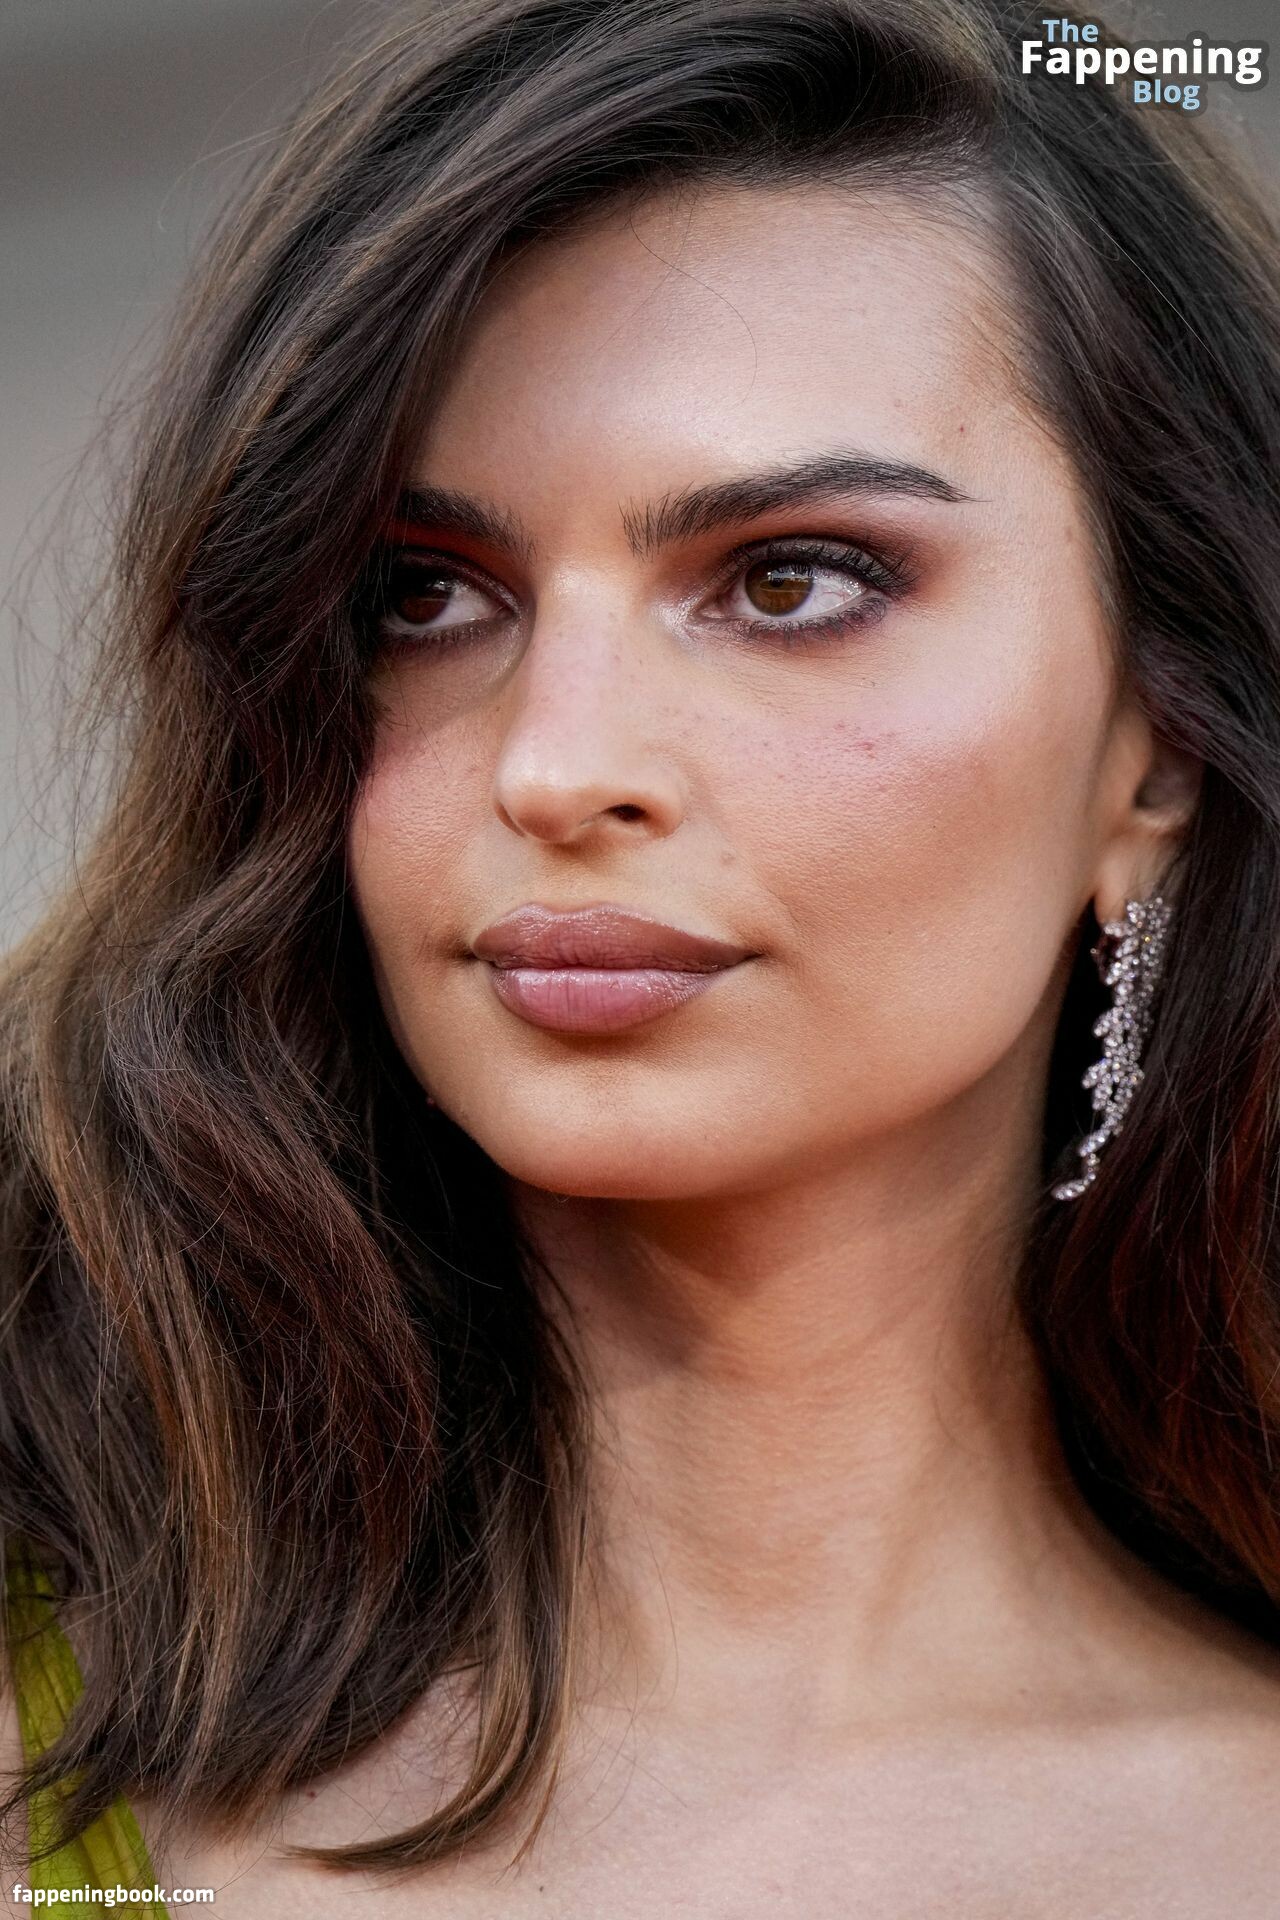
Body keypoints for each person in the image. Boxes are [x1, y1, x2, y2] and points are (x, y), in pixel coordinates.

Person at [4, 0, 1280, 1909]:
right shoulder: (48, 1764)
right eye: (425, 596)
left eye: (790, 580)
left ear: (1154, 747)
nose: (555, 764)